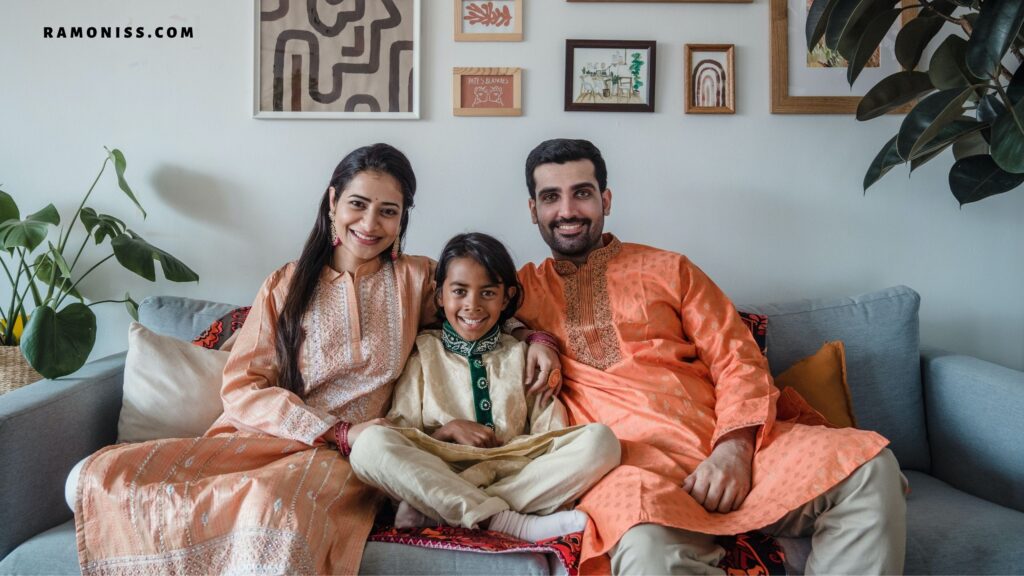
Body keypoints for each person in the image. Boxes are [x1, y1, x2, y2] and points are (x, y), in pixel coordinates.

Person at [71, 144, 559, 575]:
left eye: (388, 212)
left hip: (351, 457)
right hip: (269, 438)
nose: (370, 225)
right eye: (358, 205)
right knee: (95, 478)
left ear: (403, 219)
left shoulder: (416, 280)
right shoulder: (285, 285)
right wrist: (327, 428)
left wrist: (535, 337)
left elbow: (475, 309)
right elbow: (242, 388)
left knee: (272, 508)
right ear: (332, 202)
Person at [509, 138, 907, 575]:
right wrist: (526, 333)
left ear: (605, 199)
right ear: (533, 210)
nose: (567, 210)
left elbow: (737, 356)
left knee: (870, 468)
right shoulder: (517, 293)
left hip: (734, 450)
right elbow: (453, 311)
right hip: (631, 473)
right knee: (648, 554)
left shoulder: (670, 269)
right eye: (551, 197)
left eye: (581, 192)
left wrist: (734, 448)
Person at [349, 233, 620, 542]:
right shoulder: (424, 352)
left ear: (505, 299)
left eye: (487, 293)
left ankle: (446, 507)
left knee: (602, 442)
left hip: (515, 468)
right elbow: (401, 430)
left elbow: (547, 427)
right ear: (440, 297)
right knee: (369, 445)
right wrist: (447, 430)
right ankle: (512, 523)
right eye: (459, 292)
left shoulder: (521, 354)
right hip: (442, 467)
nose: (472, 305)